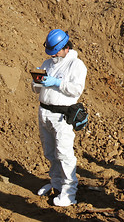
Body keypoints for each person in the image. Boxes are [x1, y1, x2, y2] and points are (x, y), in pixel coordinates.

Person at [32, 29, 87, 206]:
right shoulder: (48, 63)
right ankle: (55, 183)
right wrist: (37, 82)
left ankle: (69, 192)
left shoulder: (76, 65)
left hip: (62, 116)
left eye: (56, 51)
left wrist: (57, 83)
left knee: (64, 154)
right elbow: (37, 89)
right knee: (50, 152)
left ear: (66, 47)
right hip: (44, 112)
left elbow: (76, 89)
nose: (53, 54)